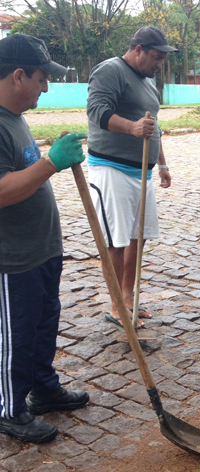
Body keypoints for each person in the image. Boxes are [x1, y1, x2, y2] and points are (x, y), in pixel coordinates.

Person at [0, 34, 89, 443]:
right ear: (18, 76)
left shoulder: (15, 118)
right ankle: (10, 409)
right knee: (16, 336)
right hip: (12, 258)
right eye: (41, 78)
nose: (46, 87)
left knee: (42, 325)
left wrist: (49, 157)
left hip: (42, 251)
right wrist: (53, 161)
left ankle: (44, 389)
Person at [86, 27, 176, 328]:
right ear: (138, 49)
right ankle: (116, 305)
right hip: (111, 168)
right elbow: (97, 111)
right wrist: (132, 128)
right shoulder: (110, 71)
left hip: (142, 171)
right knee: (116, 240)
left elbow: (154, 126)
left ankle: (129, 298)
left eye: (162, 59)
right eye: (155, 57)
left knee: (138, 237)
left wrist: (162, 164)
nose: (158, 64)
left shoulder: (149, 82)